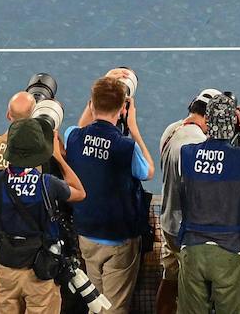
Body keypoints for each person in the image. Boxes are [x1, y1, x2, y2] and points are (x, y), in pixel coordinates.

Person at [176, 93, 240, 314]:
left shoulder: (187, 153)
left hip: (193, 250)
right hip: (230, 252)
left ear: (207, 122)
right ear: (234, 122)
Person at [65, 75, 156, 314]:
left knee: (95, 302)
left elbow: (82, 125)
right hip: (119, 240)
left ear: (91, 104)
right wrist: (133, 129)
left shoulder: (73, 136)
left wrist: (96, 98)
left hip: (86, 234)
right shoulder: (126, 146)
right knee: (114, 308)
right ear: (124, 108)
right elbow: (149, 171)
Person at [0, 118, 86, 314]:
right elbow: (80, 192)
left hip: (6, 271)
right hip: (40, 273)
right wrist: (58, 157)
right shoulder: (48, 184)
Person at [157, 87, 223, 314]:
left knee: (170, 279)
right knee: (195, 293)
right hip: (189, 232)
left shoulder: (170, 131)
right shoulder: (198, 143)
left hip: (168, 224)